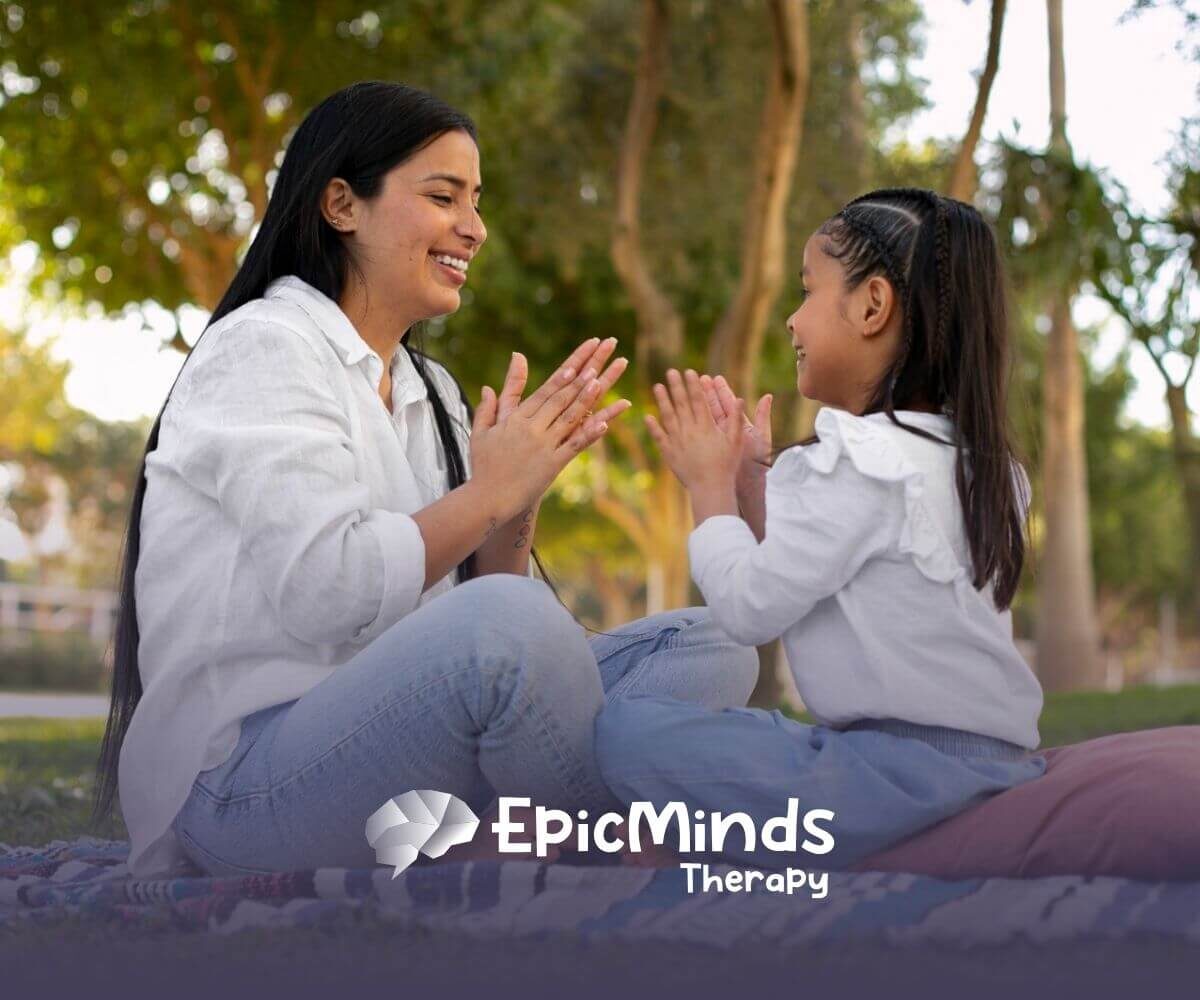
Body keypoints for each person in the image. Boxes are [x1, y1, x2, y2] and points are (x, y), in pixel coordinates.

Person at [90, 81, 759, 879]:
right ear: (342, 204)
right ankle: (610, 857)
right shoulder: (263, 348)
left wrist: (520, 495)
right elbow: (330, 590)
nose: (474, 229)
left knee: (713, 645)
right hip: (241, 794)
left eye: (476, 202)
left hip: (394, 767)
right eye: (444, 197)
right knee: (512, 625)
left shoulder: (429, 389)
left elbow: (475, 605)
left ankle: (513, 841)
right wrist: (487, 495)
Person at [595, 188, 1047, 871]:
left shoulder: (855, 455)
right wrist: (753, 486)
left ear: (872, 306)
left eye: (808, 292)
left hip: (885, 781)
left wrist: (709, 488)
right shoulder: (986, 466)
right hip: (987, 765)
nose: (791, 320)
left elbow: (748, 610)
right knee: (733, 740)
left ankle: (659, 889)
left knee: (628, 731)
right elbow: (815, 577)